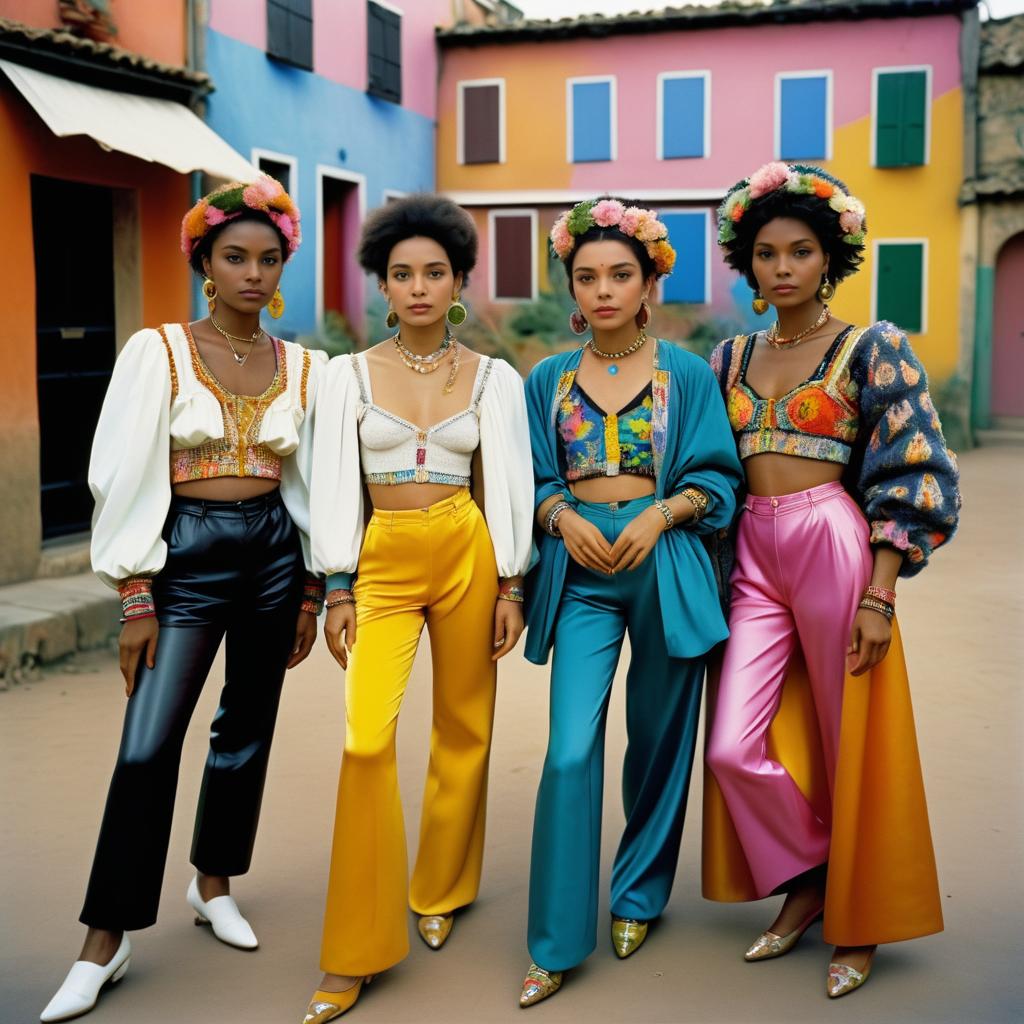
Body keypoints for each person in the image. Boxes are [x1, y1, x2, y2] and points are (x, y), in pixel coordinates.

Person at [41, 175, 326, 1023]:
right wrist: (136, 594)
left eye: (269, 259)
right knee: (147, 744)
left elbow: (311, 482)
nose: (253, 274)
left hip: (275, 554)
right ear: (204, 260)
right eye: (235, 257)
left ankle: (213, 884)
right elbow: (120, 476)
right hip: (186, 559)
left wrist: (310, 587)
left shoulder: (304, 364)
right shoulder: (157, 351)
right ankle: (106, 937)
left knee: (246, 730)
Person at [703, 162, 960, 998]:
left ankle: (864, 918)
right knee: (735, 746)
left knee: (856, 739)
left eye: (800, 252)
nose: (782, 267)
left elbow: (913, 468)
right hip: (752, 551)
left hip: (832, 541)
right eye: (767, 253)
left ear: (829, 258)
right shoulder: (728, 356)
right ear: (748, 265)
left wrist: (881, 593)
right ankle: (812, 874)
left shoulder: (870, 347)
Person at [303, 194, 534, 1023]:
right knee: (367, 739)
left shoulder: (495, 379)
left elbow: (506, 480)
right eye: (402, 274)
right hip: (384, 562)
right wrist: (334, 585)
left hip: (468, 550)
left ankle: (440, 885)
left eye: (435, 272)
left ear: (460, 279)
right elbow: (332, 481)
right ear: (384, 285)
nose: (419, 287)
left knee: (465, 727)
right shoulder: (347, 376)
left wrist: (513, 584)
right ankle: (356, 944)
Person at [517, 198, 743, 1007]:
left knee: (658, 743)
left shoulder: (686, 371)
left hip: (666, 565)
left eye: (621, 274)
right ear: (571, 288)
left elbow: (719, 477)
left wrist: (661, 511)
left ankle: (639, 896)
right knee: (569, 750)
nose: (603, 289)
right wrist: (562, 515)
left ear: (649, 282)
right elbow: (532, 479)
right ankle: (553, 939)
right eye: (588, 276)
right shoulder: (546, 377)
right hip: (580, 574)